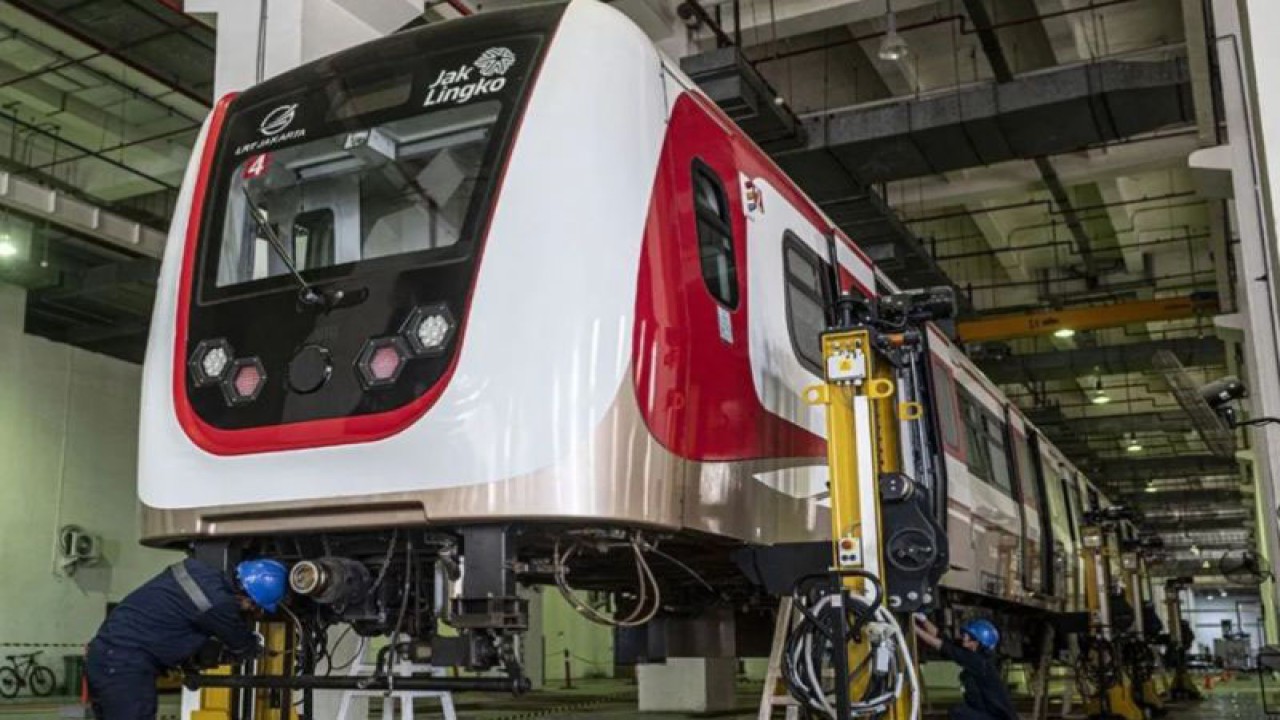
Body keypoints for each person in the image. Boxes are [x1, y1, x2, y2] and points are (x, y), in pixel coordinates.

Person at [86, 557, 287, 720]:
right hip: (125, 667)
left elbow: (177, 621)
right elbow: (243, 645)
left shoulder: (198, 569)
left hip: (104, 656)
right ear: (246, 596)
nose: (251, 611)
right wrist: (257, 648)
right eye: (253, 607)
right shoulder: (218, 605)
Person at [912, 613, 1019, 720]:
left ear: (977, 642)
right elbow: (944, 640)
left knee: (959, 712)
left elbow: (940, 645)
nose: (964, 636)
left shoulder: (978, 662)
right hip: (988, 713)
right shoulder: (976, 654)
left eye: (968, 635)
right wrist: (924, 620)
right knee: (960, 711)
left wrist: (914, 628)